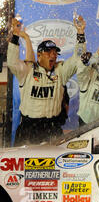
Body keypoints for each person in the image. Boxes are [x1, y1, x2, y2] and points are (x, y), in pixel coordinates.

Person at [7, 14, 86, 146]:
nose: (53, 55)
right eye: (49, 52)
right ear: (39, 55)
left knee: (57, 164)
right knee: (24, 165)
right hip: (29, 128)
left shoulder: (61, 71)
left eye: (55, 53)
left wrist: (81, 33)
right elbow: (11, 62)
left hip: (52, 127)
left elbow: (78, 59)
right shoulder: (28, 70)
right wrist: (15, 36)